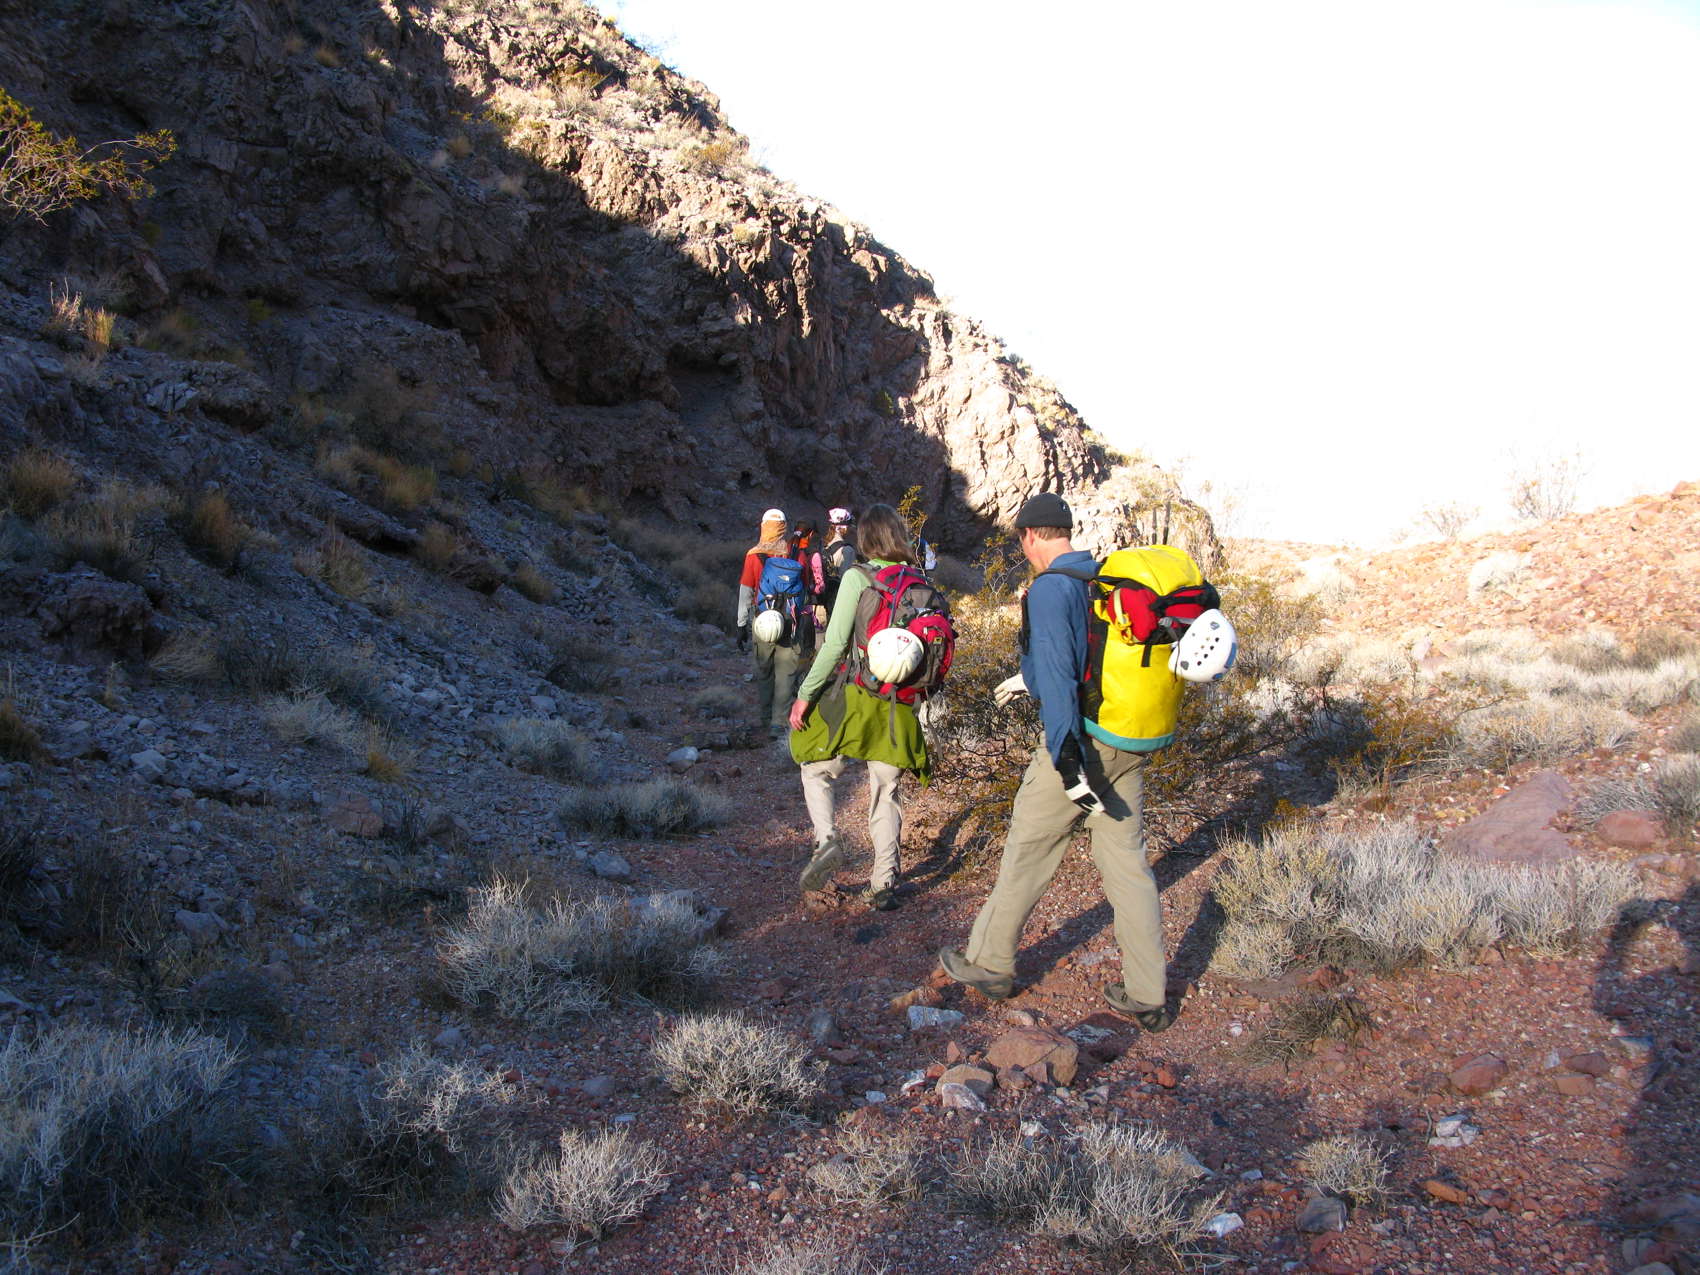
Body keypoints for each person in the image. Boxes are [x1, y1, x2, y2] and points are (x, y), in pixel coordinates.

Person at [937, 492, 1174, 1032]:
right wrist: (1030, 680)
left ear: (1029, 536)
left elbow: (1063, 676)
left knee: (1028, 848)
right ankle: (1147, 993)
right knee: (1129, 867)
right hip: (1128, 739)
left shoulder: (1050, 588)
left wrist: (1066, 758)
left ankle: (990, 964)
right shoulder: (1101, 578)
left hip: (1083, 742)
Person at [786, 503, 929, 911]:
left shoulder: (857, 577)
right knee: (886, 791)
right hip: (902, 702)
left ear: (865, 538)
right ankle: (884, 882)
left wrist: (805, 694)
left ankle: (827, 840)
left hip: (857, 695)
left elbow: (834, 646)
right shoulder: (918, 580)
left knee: (815, 767)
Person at [736, 507, 806, 740]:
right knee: (786, 672)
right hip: (790, 619)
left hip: (762, 619)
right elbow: (805, 586)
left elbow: (746, 591)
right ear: (783, 528)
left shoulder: (753, 555)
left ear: (763, 527)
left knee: (764, 669)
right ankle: (779, 722)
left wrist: (741, 625)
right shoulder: (795, 553)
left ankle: (765, 718)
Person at [790, 518, 827, 652]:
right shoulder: (813, 554)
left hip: (789, 607)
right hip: (811, 608)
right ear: (811, 534)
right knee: (813, 649)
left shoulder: (787, 550)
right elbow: (820, 586)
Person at [821, 507, 857, 612]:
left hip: (824, 596)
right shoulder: (847, 550)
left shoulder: (824, 545)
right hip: (838, 599)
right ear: (844, 528)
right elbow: (847, 580)